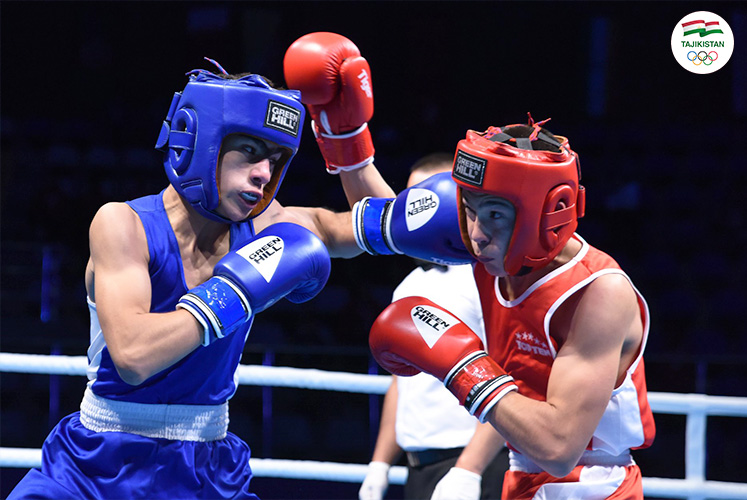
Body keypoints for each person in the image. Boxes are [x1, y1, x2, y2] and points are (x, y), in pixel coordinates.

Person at [8, 33, 395, 500]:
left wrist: (348, 143)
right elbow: (133, 357)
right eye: (249, 151)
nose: (264, 174)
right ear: (202, 142)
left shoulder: (267, 225)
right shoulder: (123, 224)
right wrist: (239, 290)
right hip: (99, 465)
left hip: (209, 469)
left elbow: (388, 228)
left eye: (275, 160)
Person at [361, 115, 656, 498]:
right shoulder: (487, 242)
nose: (477, 234)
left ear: (544, 214)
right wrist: (347, 144)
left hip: (593, 485)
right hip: (520, 476)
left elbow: (559, 449)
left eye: (495, 215)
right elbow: (382, 226)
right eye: (469, 211)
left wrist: (462, 368)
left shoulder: (597, 292)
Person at [359, 154, 507, 500]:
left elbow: (516, 377)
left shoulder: (488, 278)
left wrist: (468, 470)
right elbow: (402, 383)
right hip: (419, 469)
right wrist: (380, 465)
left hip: (476, 463)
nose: (416, 212)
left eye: (427, 198)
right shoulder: (410, 285)